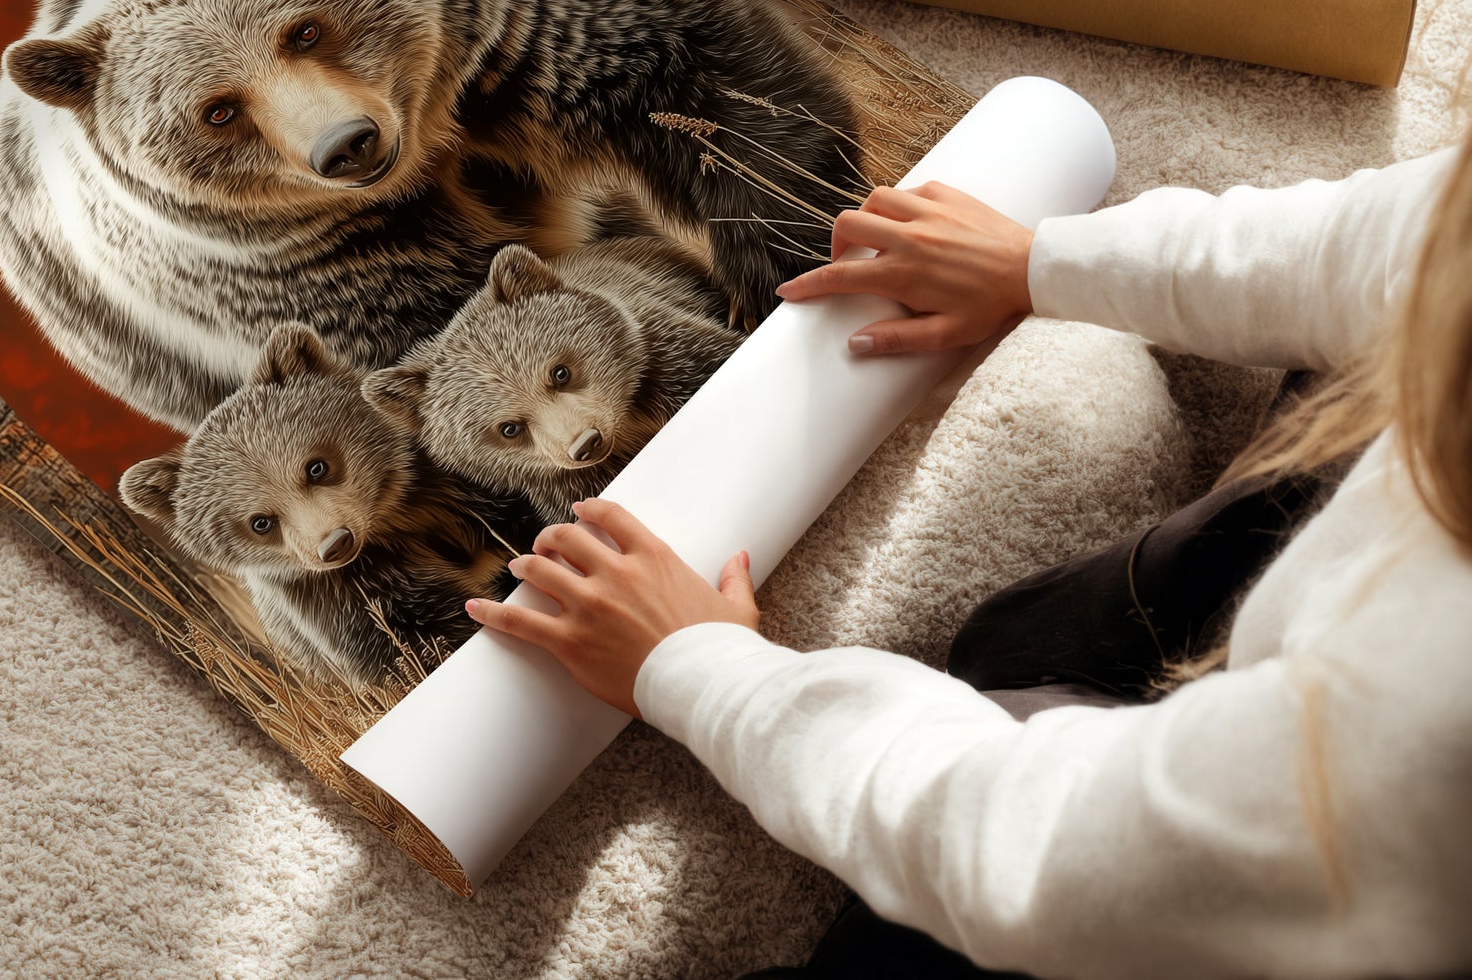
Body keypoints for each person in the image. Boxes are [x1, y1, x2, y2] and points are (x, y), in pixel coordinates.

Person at [464, 142, 1472, 978]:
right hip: (1342, 674)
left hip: (1331, 890)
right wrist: (1042, 261)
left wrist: (702, 671)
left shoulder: (1421, 729)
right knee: (1027, 641)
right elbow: (1404, 239)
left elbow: (1038, 853)